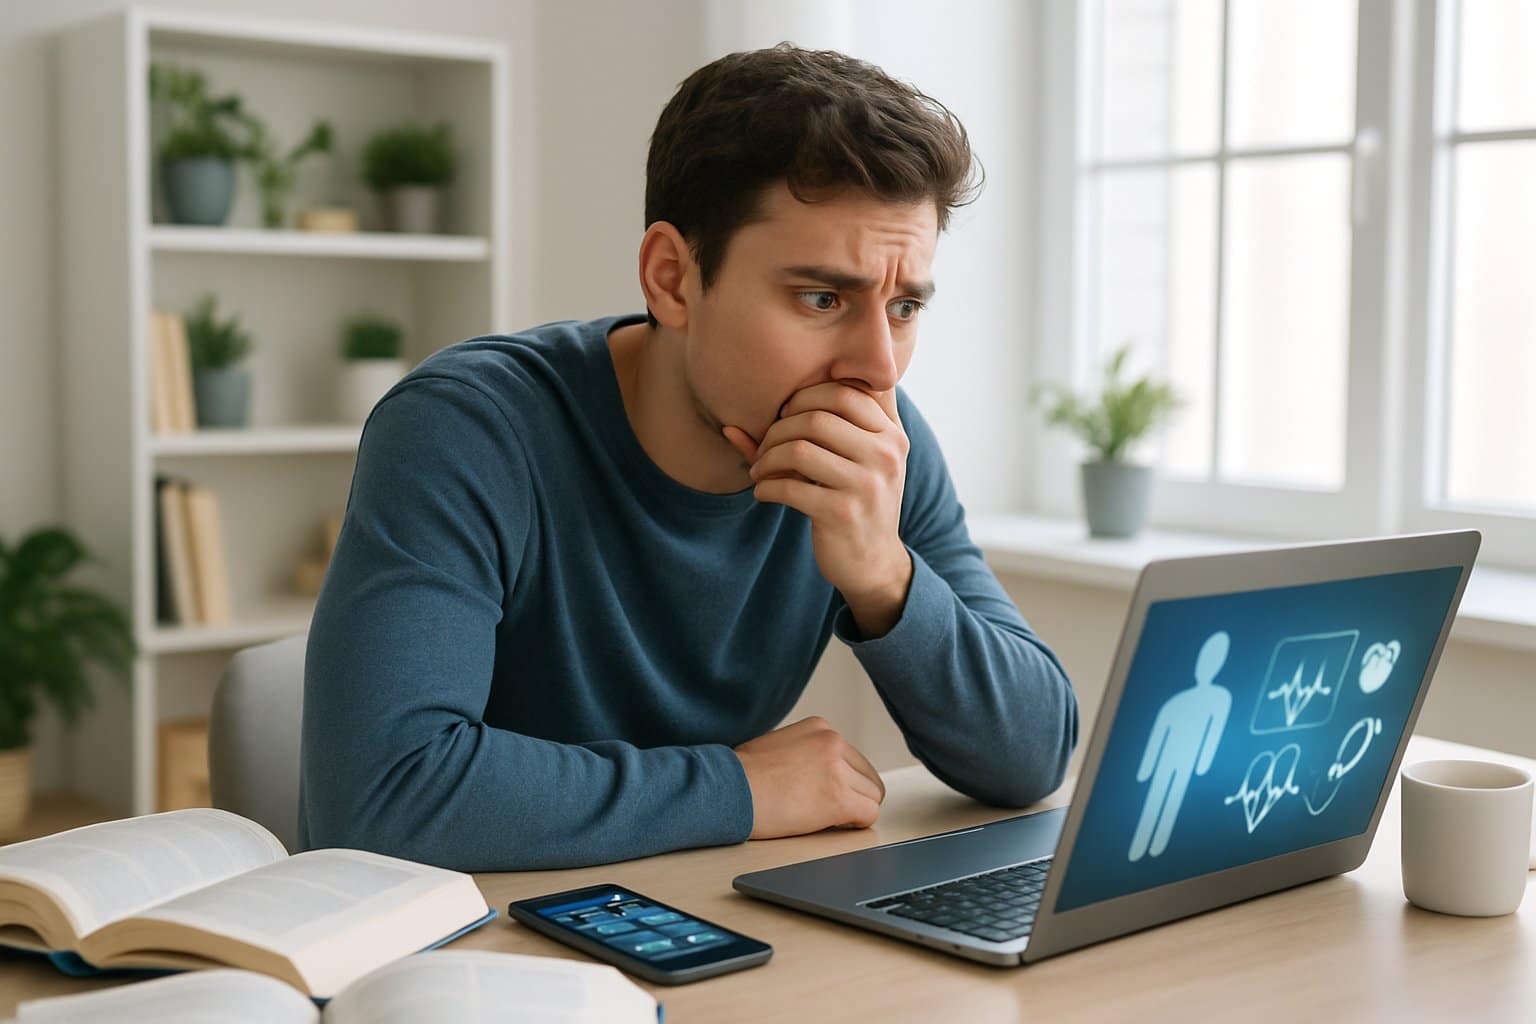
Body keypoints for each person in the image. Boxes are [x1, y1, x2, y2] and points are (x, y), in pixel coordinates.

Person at [299, 43, 1079, 872]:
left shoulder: (872, 443)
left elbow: (1032, 757)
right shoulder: (469, 429)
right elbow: (383, 793)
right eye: (823, 298)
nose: (878, 365)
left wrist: (885, 577)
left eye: (904, 306)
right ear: (672, 278)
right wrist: (740, 788)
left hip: (684, 920)